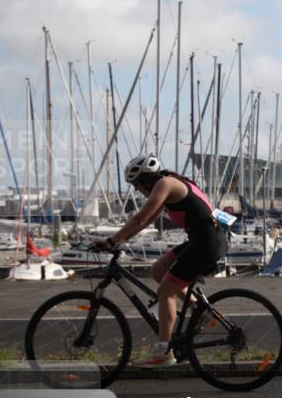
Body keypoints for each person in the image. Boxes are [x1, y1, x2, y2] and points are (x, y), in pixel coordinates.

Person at [94, 154, 228, 367]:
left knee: (166, 292)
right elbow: (144, 222)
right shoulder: (168, 184)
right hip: (202, 239)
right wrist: (121, 240)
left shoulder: (165, 184)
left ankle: (164, 352)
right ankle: (197, 310)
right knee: (158, 271)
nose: (137, 191)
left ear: (145, 180)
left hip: (206, 243)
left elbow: (139, 218)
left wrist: (112, 239)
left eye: (136, 186)